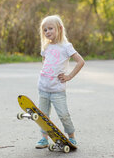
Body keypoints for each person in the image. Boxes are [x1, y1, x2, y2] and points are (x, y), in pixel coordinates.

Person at [36, 15, 85, 149]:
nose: (47, 32)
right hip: (43, 88)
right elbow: (45, 63)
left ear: (60, 28)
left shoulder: (66, 46)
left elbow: (81, 62)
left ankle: (71, 137)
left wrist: (69, 76)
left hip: (57, 89)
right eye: (45, 30)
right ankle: (44, 139)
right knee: (43, 115)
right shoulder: (46, 47)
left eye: (50, 28)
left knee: (63, 114)